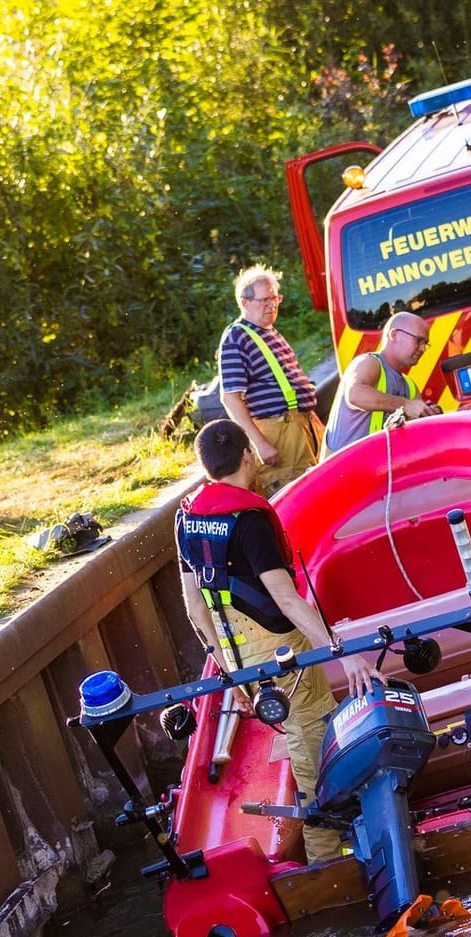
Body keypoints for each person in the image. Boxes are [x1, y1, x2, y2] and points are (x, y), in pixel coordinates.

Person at [176, 420, 384, 864]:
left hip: (238, 658)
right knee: (313, 758)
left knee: (304, 740)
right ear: (248, 455)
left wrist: (230, 673)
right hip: (280, 652)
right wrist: (340, 651)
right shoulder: (249, 520)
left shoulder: (187, 517)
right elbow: (286, 599)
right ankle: (329, 867)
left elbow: (195, 609)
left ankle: (335, 844)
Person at [217, 265, 321, 495]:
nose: (272, 305)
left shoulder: (269, 332)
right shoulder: (237, 337)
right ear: (245, 302)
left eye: (275, 298)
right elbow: (231, 398)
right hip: (278, 433)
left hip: (299, 426)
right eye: (265, 300)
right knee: (297, 495)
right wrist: (260, 444)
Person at [323, 312, 439, 456]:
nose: (423, 349)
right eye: (418, 340)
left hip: (377, 468)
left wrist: (428, 415)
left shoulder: (410, 387)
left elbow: (416, 433)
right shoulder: (368, 363)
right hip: (340, 469)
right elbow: (354, 395)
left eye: (425, 343)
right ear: (394, 334)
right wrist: (405, 405)